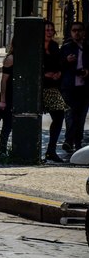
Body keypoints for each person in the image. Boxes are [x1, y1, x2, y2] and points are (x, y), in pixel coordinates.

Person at [60, 22, 89, 153]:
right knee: (70, 115)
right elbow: (59, 65)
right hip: (69, 87)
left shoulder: (87, 47)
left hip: (84, 87)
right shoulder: (66, 47)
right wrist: (66, 61)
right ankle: (69, 141)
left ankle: (77, 142)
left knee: (81, 116)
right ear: (71, 32)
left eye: (79, 30)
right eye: (74, 30)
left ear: (84, 32)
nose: (76, 32)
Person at [42, 20, 66, 163]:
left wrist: (59, 73)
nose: (50, 32)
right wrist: (44, 74)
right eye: (47, 30)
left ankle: (51, 150)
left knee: (59, 115)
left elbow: (59, 63)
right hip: (39, 86)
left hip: (52, 86)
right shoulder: (36, 47)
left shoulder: (54, 46)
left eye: (51, 30)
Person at [0, 38, 14, 157]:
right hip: (9, 95)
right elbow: (4, 80)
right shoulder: (10, 58)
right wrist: (2, 100)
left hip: (17, 95)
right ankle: (2, 149)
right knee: (7, 124)